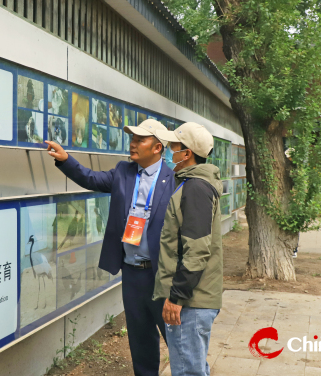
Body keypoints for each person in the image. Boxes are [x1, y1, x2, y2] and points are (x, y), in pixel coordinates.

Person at [46, 119, 174, 376]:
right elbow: (91, 178)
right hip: (133, 273)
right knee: (140, 340)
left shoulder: (174, 180)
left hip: (162, 276)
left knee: (177, 340)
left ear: (158, 147)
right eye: (132, 138)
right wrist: (65, 159)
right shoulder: (123, 172)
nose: (133, 143)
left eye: (140, 140)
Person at [153, 122, 223, 376]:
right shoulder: (194, 184)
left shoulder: (195, 188)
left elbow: (197, 250)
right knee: (193, 368)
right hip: (194, 299)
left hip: (191, 301)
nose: (170, 152)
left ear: (187, 153)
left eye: (174, 147)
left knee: (187, 371)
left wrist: (176, 297)